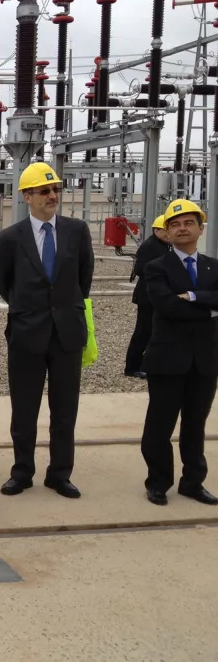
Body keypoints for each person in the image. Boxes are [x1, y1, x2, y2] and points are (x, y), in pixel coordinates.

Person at [0, 162, 94, 499]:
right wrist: (27, 308)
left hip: (66, 334)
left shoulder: (77, 231)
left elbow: (84, 278)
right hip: (27, 333)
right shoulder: (9, 238)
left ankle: (60, 473)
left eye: (55, 189)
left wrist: (63, 307)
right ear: (27, 196)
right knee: (24, 409)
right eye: (44, 191)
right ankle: (22, 472)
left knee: (65, 409)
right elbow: (3, 283)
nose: (52, 195)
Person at [140, 199, 218, 507]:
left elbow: (188, 303)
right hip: (167, 360)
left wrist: (194, 296)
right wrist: (210, 310)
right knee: (160, 425)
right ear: (168, 233)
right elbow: (166, 306)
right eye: (175, 224)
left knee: (195, 424)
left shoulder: (214, 266)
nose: (182, 228)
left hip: (205, 360)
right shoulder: (156, 267)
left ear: (200, 228)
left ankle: (193, 482)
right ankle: (158, 482)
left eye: (188, 223)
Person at [125, 215, 170, 379]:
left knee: (151, 332)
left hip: (153, 296)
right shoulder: (151, 246)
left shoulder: (163, 245)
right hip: (147, 296)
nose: (168, 233)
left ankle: (144, 364)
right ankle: (132, 367)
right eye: (166, 230)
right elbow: (140, 268)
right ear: (156, 230)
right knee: (143, 332)